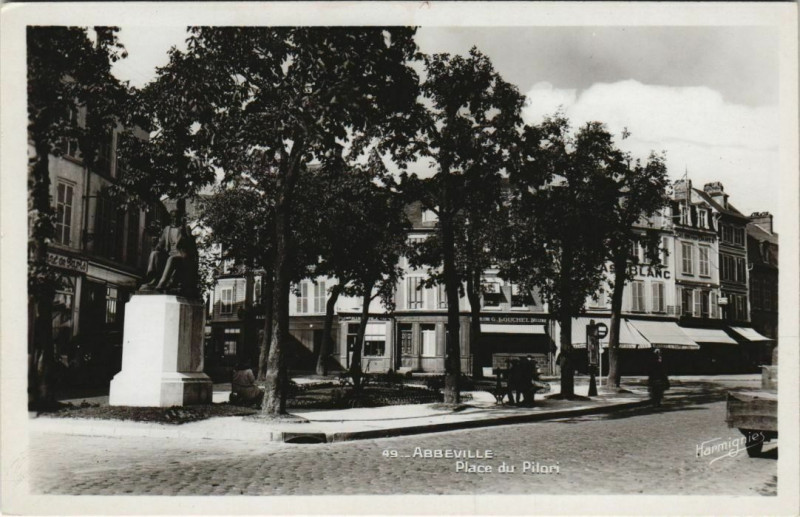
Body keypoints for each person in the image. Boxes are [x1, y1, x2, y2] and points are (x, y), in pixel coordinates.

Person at [141, 209, 198, 295]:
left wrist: (185, 235)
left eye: (176, 217)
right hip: (168, 254)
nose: (174, 219)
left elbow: (191, 245)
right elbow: (161, 244)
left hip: (181, 256)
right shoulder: (167, 229)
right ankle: (153, 279)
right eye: (173, 217)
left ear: (180, 218)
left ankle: (162, 283)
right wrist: (156, 246)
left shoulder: (186, 228)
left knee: (171, 259)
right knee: (154, 254)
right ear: (171, 218)